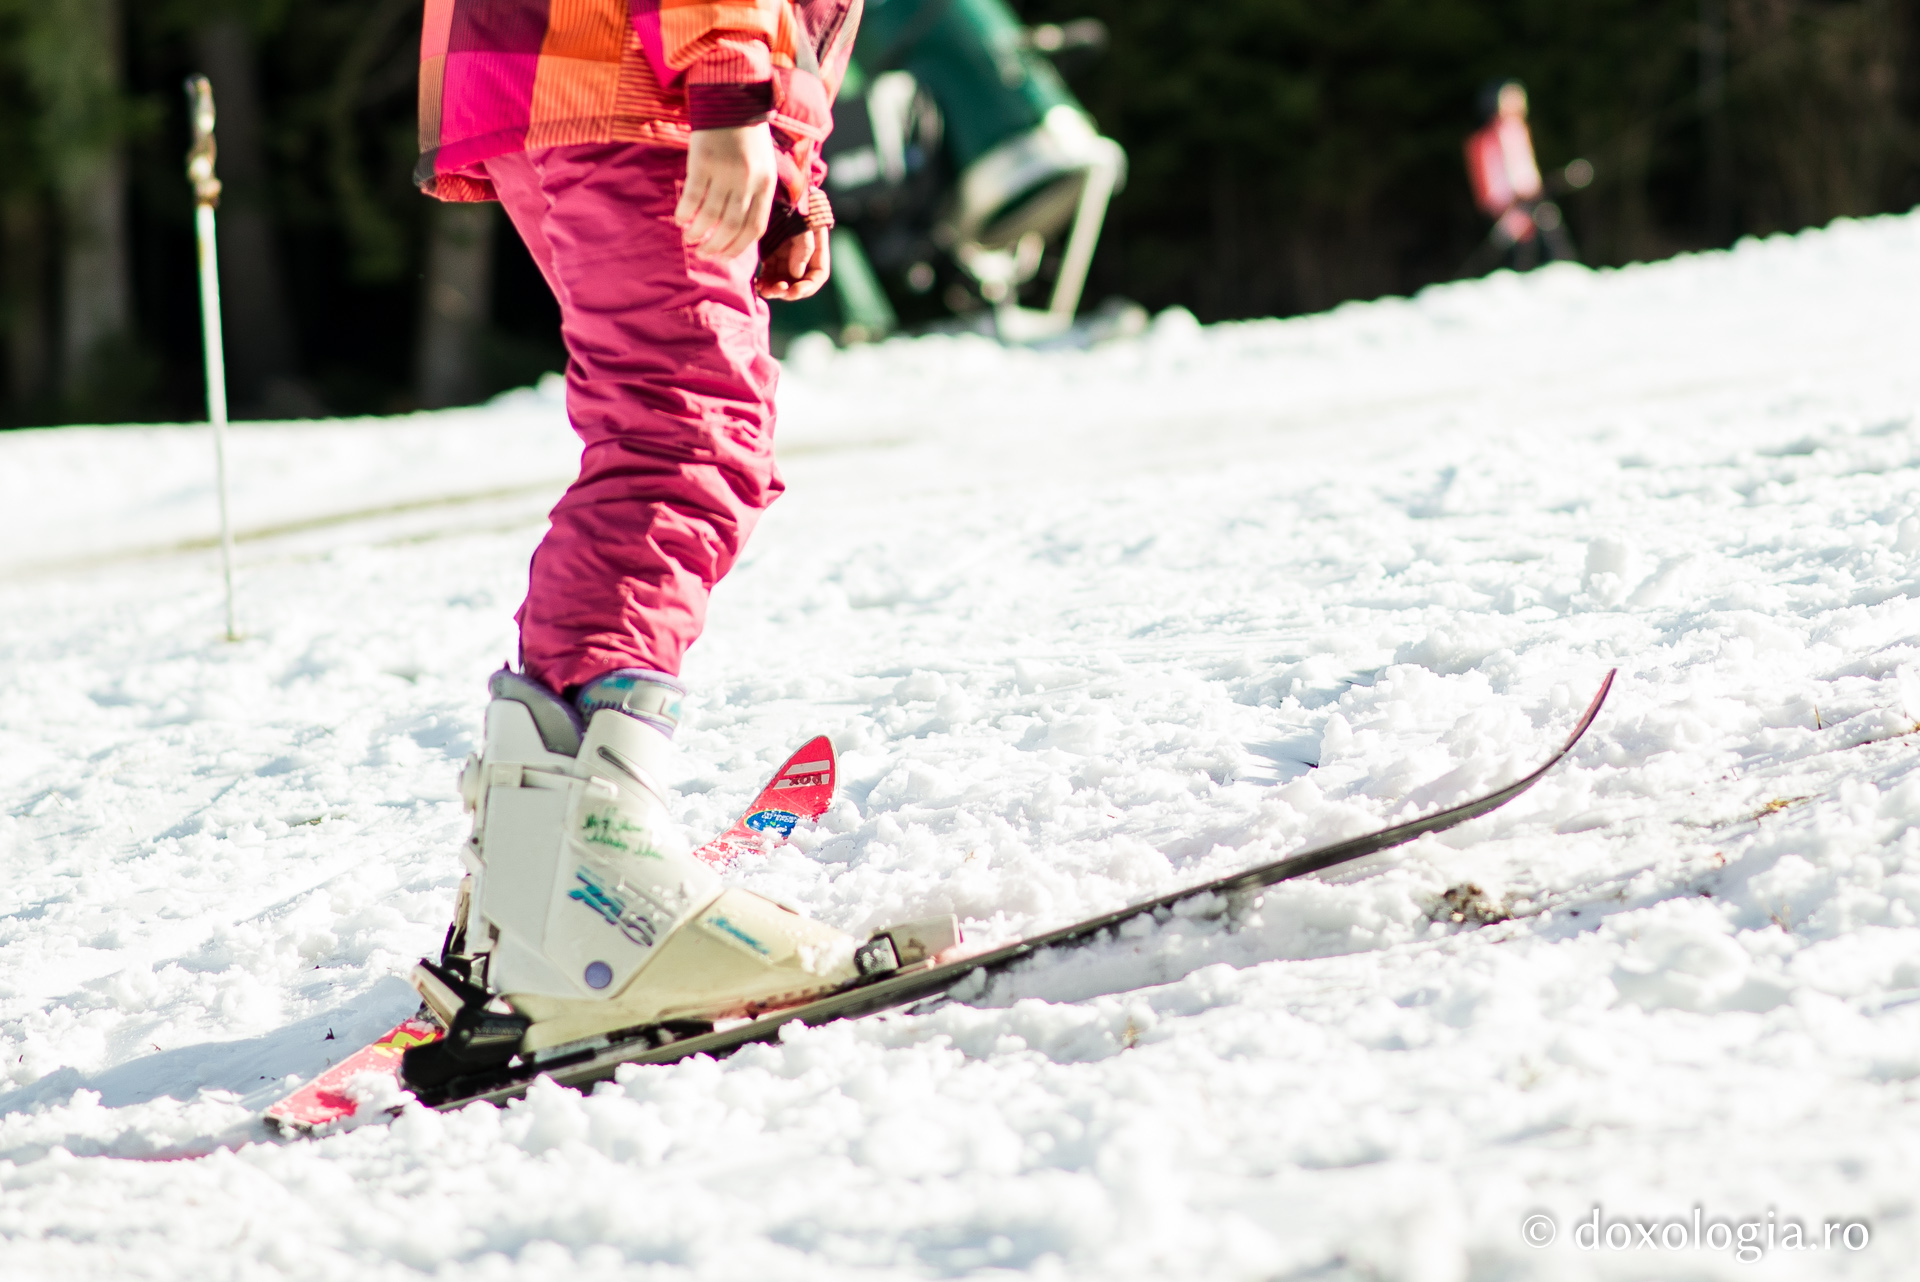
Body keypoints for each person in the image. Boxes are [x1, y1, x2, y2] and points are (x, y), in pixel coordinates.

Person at [403, 0, 919, 1083]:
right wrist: (731, 90)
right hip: (633, 83)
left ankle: (541, 869)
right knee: (680, 442)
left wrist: (783, 151)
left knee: (673, 433)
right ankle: (587, 883)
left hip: (605, 77)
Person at [1463, 80, 1575, 271]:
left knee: (1547, 228)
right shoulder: (1487, 139)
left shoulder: (1518, 130)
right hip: (1510, 202)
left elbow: (1526, 169)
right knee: (1522, 244)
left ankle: (1564, 270)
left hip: (1528, 197)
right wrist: (1504, 201)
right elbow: (1491, 179)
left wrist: (1537, 188)